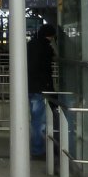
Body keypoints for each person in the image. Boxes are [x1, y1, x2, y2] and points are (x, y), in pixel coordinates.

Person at [27, 23, 56, 159]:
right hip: (40, 88)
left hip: (29, 87)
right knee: (39, 121)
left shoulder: (30, 44)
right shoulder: (45, 48)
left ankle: (37, 147)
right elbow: (45, 70)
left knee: (35, 119)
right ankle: (37, 150)